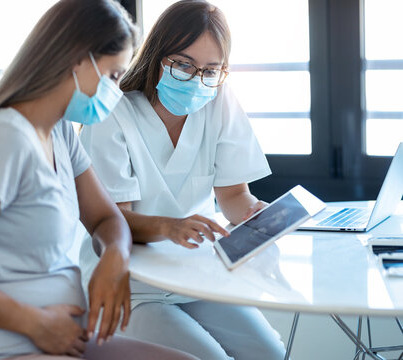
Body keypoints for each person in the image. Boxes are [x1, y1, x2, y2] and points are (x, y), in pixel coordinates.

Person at [0, 1, 199, 359]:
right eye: (111, 76)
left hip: (52, 334)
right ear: (77, 59)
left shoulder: (59, 131)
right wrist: (34, 324)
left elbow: (106, 219)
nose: (116, 91)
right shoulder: (7, 140)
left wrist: (114, 257)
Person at [78, 1, 288, 359]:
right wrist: (171, 227)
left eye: (210, 69)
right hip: (133, 282)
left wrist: (253, 212)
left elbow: (234, 193)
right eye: (184, 64)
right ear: (158, 55)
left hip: (196, 273)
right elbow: (110, 220)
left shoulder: (219, 100)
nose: (196, 79)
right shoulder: (113, 113)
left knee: (269, 353)